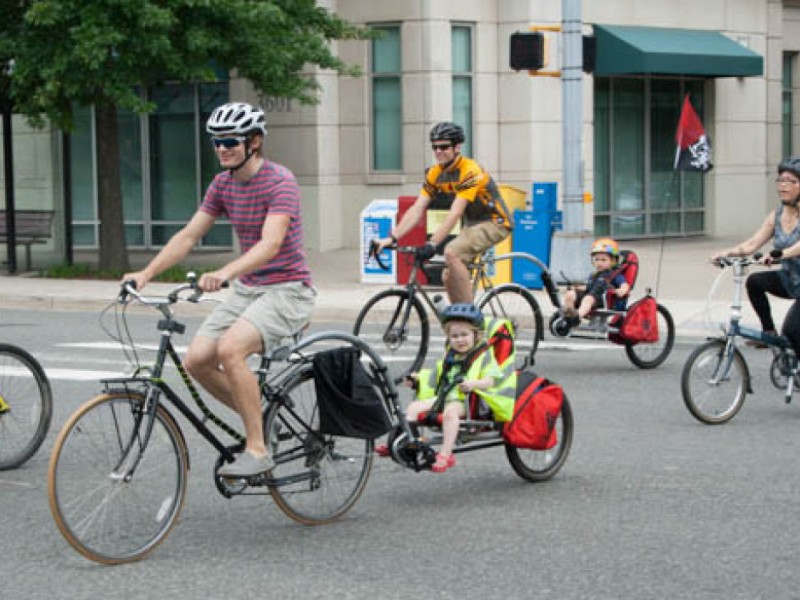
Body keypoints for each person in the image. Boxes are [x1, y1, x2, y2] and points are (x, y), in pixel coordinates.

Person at [123, 101, 316, 478]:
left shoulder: (280, 182)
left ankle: (258, 448)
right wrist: (146, 273)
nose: (222, 148)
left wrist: (225, 272)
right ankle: (261, 416)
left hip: (288, 290)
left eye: (230, 140)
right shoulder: (223, 184)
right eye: (216, 142)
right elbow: (190, 235)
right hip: (249, 289)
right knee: (196, 360)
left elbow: (270, 244)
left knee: (231, 349)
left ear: (254, 141)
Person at [374, 122, 512, 304]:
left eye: (444, 146)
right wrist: (392, 238)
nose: (438, 151)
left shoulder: (470, 171)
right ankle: (459, 323)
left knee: (451, 252)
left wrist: (432, 244)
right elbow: (417, 209)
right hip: (472, 225)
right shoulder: (434, 173)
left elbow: (455, 212)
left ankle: (469, 316)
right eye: (435, 147)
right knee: (448, 276)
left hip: (495, 222)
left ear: (457, 147)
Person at [377, 303, 516, 473]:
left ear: (476, 334)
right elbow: (435, 376)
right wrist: (416, 380)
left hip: (467, 400)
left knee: (450, 413)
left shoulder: (484, 355)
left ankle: (445, 454)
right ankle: (404, 443)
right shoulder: (450, 355)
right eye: (455, 336)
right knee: (413, 408)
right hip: (445, 396)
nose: (460, 340)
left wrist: (473, 384)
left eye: (464, 335)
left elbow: (491, 381)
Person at [711, 156, 800, 349]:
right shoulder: (777, 215)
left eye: (791, 181)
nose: (783, 186)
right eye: (780, 180)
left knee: (792, 332)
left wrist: (781, 254)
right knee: (755, 282)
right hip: (790, 279)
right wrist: (725, 253)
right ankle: (768, 332)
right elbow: (752, 244)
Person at [561, 237, 630, 327]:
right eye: (596, 259)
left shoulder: (614, 275)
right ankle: (569, 315)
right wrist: (576, 288)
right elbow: (588, 287)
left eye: (603, 260)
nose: (599, 263)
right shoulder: (594, 275)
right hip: (589, 297)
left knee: (588, 298)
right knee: (570, 294)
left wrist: (622, 290)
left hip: (602, 300)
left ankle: (576, 317)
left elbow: (625, 285)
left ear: (613, 261)